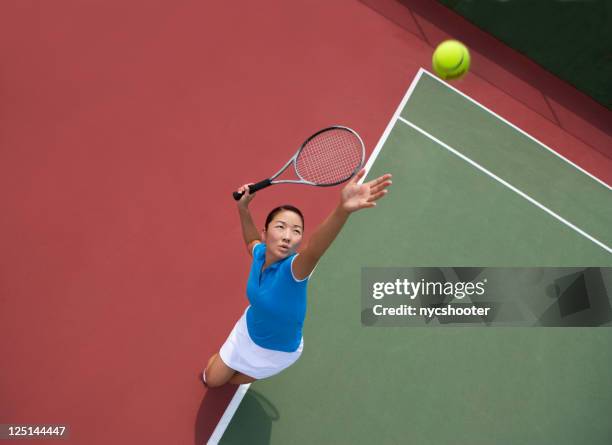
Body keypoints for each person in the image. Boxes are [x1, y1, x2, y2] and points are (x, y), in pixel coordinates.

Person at [202, 168, 392, 387]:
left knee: (230, 382)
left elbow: (313, 250)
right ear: (266, 233)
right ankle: (227, 360)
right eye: (281, 227)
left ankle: (235, 366)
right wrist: (243, 208)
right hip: (249, 330)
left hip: (277, 352)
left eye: (296, 231)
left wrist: (342, 210)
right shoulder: (260, 253)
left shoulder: (293, 271)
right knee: (211, 380)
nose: (287, 237)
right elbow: (251, 242)